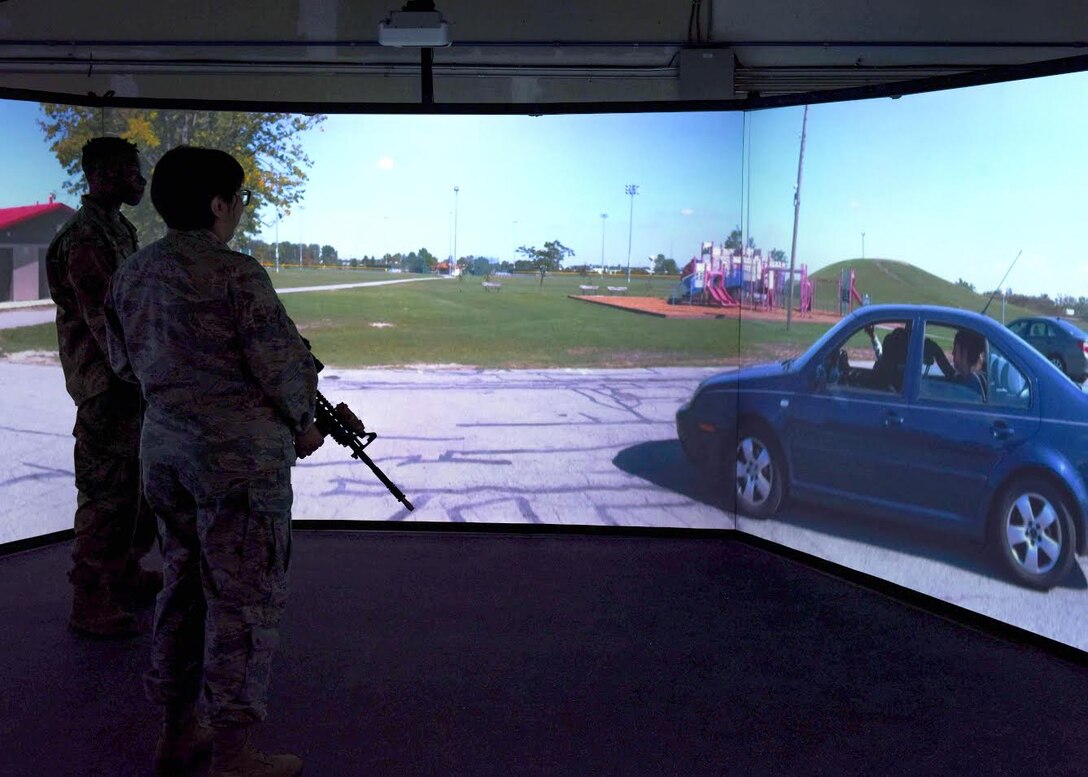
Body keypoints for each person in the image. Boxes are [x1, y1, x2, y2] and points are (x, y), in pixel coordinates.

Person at [104, 145, 323, 776]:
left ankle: (176, 732)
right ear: (219, 204)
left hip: (165, 457)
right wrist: (302, 425)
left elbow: (123, 366)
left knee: (182, 590)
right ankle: (233, 753)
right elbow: (284, 372)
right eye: (240, 200)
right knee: (243, 601)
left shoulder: (133, 273)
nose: (240, 211)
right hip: (237, 468)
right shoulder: (237, 274)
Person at [45, 136, 160, 638]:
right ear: (103, 173)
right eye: (131, 171)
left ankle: (125, 575)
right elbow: (105, 323)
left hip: (127, 382)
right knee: (105, 494)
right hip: (105, 385)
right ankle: (89, 601)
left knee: (134, 490)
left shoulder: (115, 227)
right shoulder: (86, 237)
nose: (140, 179)